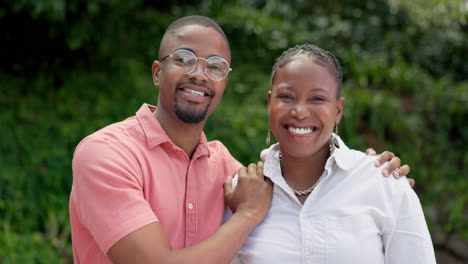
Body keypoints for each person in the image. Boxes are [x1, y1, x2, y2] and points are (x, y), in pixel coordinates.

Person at [69, 16, 411, 263]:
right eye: (183, 59)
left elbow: (295, 186)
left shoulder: (224, 167)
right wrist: (247, 215)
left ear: (224, 82)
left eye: (215, 66)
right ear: (158, 72)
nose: (198, 73)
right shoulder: (106, 154)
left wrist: (367, 173)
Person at [227, 43, 436, 263]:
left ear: (338, 110)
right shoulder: (240, 191)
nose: (299, 112)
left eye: (317, 99)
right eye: (287, 96)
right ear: (270, 103)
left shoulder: (383, 182)